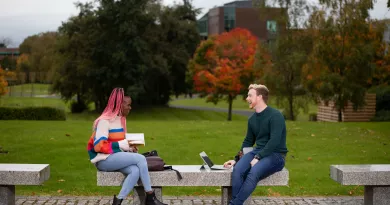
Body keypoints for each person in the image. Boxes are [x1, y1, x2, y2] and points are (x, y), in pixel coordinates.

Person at [86, 87, 166, 205]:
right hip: (103, 160)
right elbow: (98, 146)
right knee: (141, 158)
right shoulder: (104, 121)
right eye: (128, 105)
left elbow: (121, 145)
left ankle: (118, 201)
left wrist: (129, 148)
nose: (130, 107)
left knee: (135, 171)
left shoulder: (121, 120)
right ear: (119, 104)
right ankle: (150, 197)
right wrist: (120, 145)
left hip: (115, 158)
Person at [223, 84, 288, 205]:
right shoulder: (252, 119)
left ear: (259, 97)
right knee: (237, 170)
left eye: (250, 95)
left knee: (254, 172)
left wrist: (258, 157)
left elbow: (274, 141)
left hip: (276, 155)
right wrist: (236, 159)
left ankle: (234, 203)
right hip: (258, 152)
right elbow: (248, 141)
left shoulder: (275, 116)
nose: (247, 98)